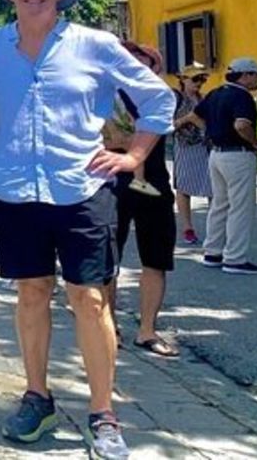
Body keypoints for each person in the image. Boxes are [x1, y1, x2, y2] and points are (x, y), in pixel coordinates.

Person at [0, 0, 174, 460]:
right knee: (31, 293)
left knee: (90, 298)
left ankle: (103, 412)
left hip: (82, 187)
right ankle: (38, 397)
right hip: (14, 189)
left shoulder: (95, 46)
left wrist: (134, 156)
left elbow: (158, 99)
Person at [104, 42, 178, 359]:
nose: (132, 62)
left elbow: (145, 133)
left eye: (140, 58)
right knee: (108, 258)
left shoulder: (160, 95)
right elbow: (105, 138)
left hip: (156, 183)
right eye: (127, 57)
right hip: (111, 179)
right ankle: (108, 327)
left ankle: (147, 330)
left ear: (153, 65)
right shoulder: (105, 95)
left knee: (156, 259)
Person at [187, 57, 257, 274]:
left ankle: (213, 252)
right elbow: (242, 125)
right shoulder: (242, 97)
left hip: (217, 153)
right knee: (240, 207)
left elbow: (194, 116)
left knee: (219, 205)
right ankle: (235, 258)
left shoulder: (216, 93)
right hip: (238, 155)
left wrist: (211, 132)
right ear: (245, 75)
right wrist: (255, 142)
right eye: (256, 74)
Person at [171, 63, 212, 244]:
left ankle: (215, 227)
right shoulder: (175, 99)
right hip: (185, 145)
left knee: (212, 187)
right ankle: (187, 227)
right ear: (183, 80)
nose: (199, 83)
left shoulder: (203, 99)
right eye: (195, 79)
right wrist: (187, 119)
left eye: (202, 79)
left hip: (205, 146)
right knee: (184, 187)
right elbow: (166, 125)